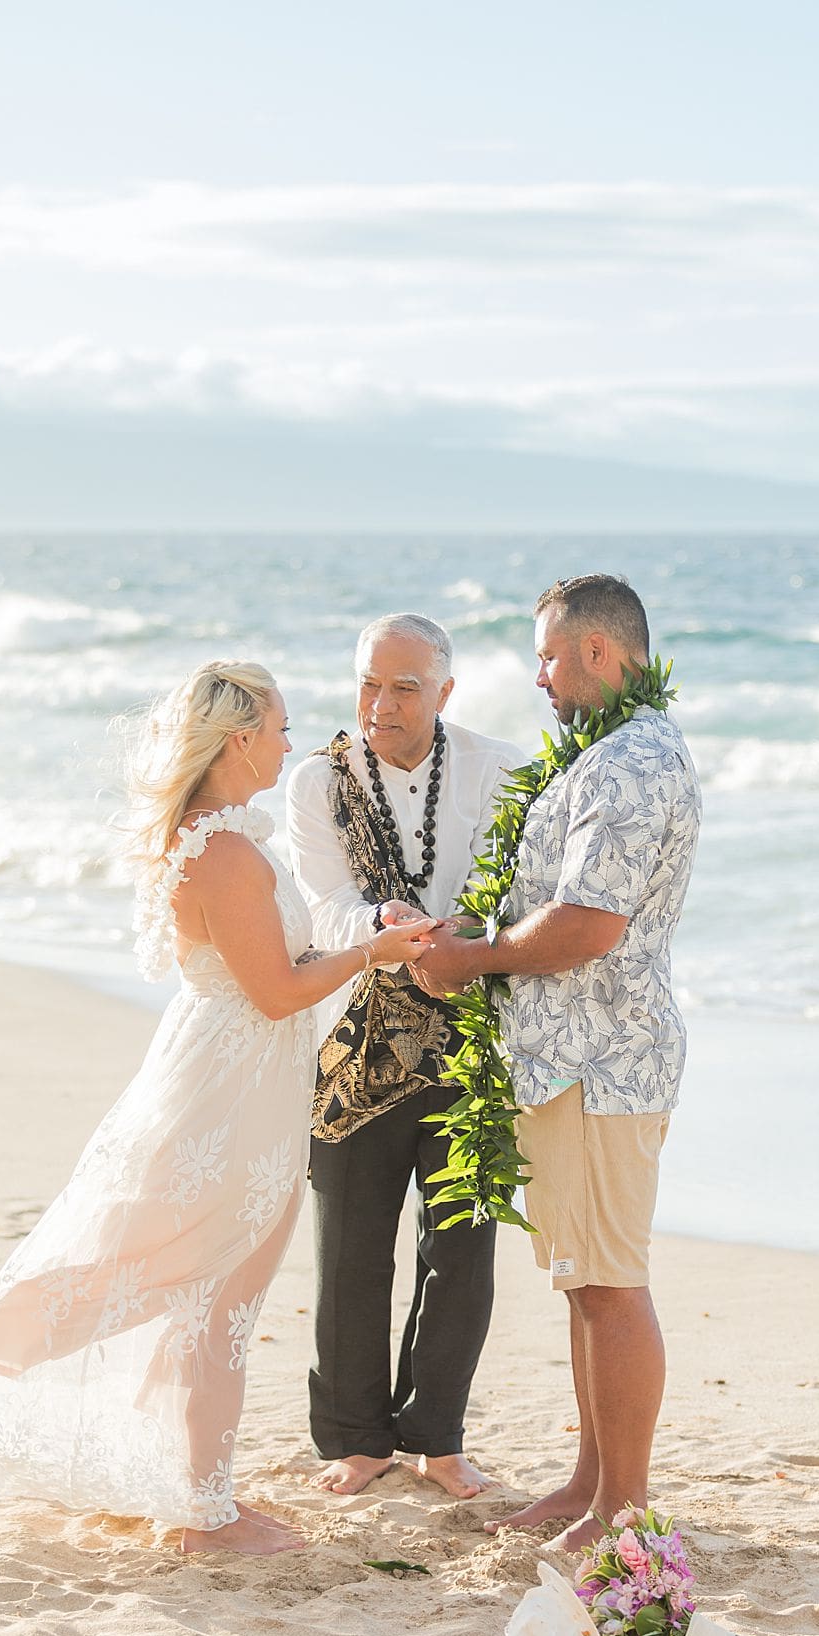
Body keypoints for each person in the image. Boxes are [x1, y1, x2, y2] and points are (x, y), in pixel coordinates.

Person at [0, 660, 435, 1556]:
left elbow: (278, 958)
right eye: (278, 727)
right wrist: (376, 954)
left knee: (211, 1288)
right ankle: (203, 1512)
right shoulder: (227, 853)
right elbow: (277, 992)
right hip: (231, 1087)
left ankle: (194, 1489)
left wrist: (363, 931)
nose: (289, 741)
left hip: (238, 1074)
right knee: (218, 1291)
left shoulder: (224, 836)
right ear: (239, 741)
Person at [410, 575, 701, 1551]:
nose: (536, 676)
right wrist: (472, 932)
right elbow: (556, 902)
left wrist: (474, 960)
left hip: (604, 1059)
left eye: (546, 655)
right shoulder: (605, 753)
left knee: (612, 1283)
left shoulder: (632, 762)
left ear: (598, 654)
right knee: (584, 1279)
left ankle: (625, 1506)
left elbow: (586, 926)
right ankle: (589, 1482)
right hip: (569, 1056)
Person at [285, 614, 523, 1501]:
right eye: (368, 684)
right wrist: (392, 933)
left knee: (461, 1245)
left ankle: (436, 1437)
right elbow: (325, 905)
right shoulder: (319, 782)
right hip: (355, 1035)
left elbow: (517, 891)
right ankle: (356, 1440)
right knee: (351, 1248)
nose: (381, 705)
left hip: (468, 1034)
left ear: (445, 693)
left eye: (405, 688)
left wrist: (464, 936)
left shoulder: (499, 771)